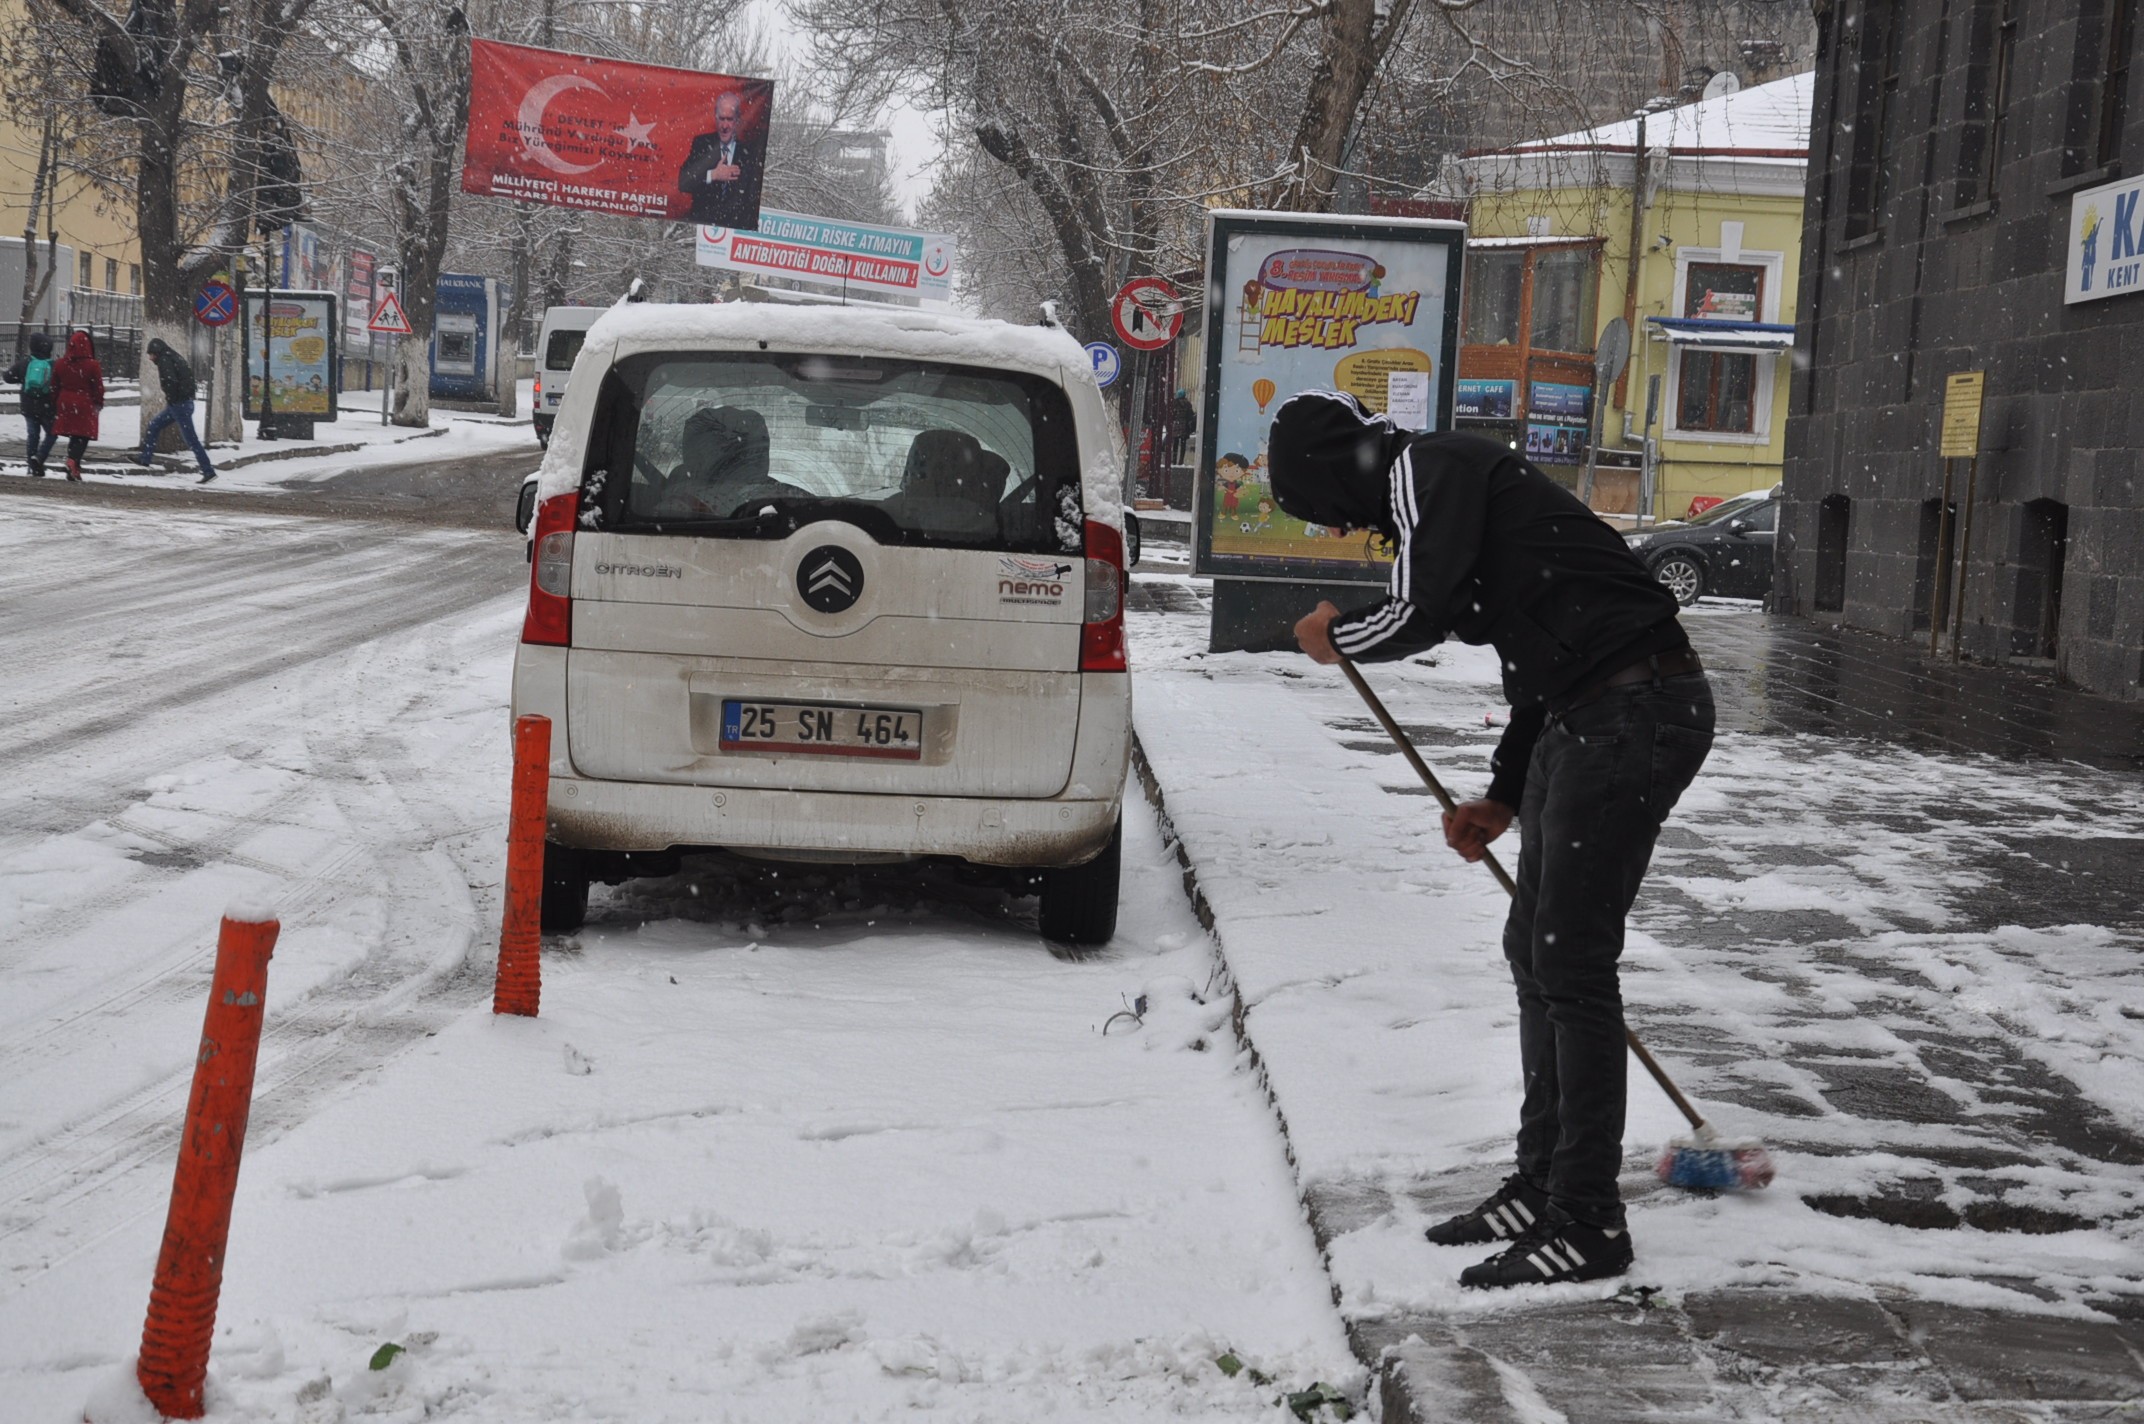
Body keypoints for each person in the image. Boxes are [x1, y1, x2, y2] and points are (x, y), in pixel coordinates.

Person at [1270, 389, 1714, 1290]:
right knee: (1536, 950)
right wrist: (1504, 796)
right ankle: (1543, 1182)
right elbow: (1537, 657)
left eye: (1323, 512)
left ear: (1331, 473)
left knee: (1572, 962)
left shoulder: (1427, 468)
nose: (1340, 531)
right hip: (1585, 712)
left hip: (1635, 709)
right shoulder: (1447, 486)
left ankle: (1587, 1220)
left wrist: (1337, 636)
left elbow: (1418, 611)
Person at [136, 336, 217, 484]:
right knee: (154, 425)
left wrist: (173, 398)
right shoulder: (173, 356)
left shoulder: (165, 360)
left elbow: (170, 381)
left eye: (151, 354)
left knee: (191, 440)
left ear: (156, 352)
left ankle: (208, 471)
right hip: (180, 404)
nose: (150, 358)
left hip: (179, 405)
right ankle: (145, 459)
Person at [677, 91, 763, 227]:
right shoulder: (702, 144)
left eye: (729, 119)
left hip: (734, 227)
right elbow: (683, 182)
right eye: (721, 119)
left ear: (737, 120)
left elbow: (752, 198)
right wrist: (713, 175)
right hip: (701, 224)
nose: (724, 126)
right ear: (715, 118)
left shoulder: (749, 153)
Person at [50, 330, 104, 481]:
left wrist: (55, 401)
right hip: (85, 403)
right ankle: (72, 461)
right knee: (83, 436)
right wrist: (98, 402)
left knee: (74, 436)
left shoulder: (61, 364)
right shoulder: (93, 365)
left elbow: (54, 386)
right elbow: (98, 387)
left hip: (66, 402)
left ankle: (74, 469)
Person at [3, 333, 58, 476]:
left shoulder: (25, 363)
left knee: (33, 435)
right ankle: (39, 458)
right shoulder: (52, 364)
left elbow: (7, 377)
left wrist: (22, 378)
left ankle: (31, 465)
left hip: (28, 406)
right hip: (47, 406)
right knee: (52, 433)